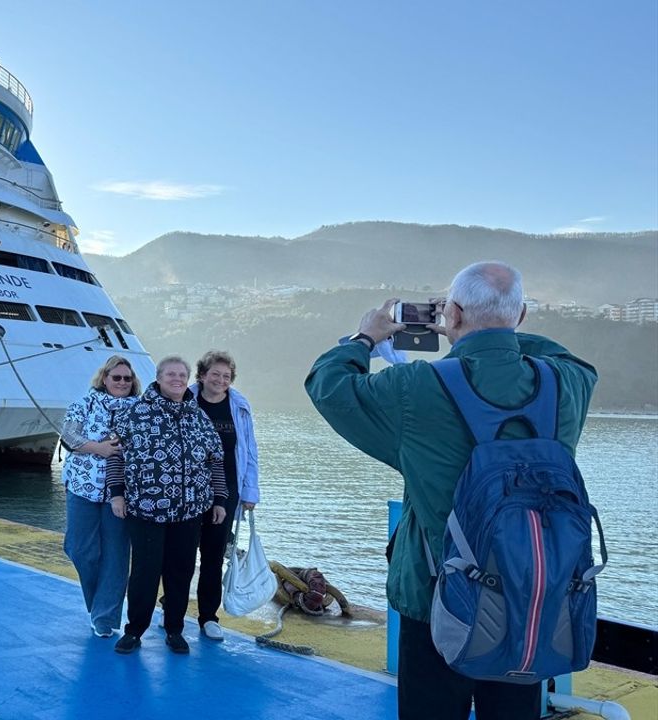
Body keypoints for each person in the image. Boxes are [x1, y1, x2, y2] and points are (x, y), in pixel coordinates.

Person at [304, 261, 596, 720]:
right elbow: (568, 357)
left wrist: (366, 337)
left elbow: (330, 385)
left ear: (452, 314)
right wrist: (490, 329)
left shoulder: (416, 387)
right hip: (534, 597)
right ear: (520, 318)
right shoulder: (567, 383)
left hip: (435, 599)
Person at [106, 356, 228, 655]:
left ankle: (175, 629)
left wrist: (220, 499)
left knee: (181, 571)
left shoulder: (198, 416)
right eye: (171, 374)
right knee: (145, 572)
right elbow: (114, 455)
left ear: (188, 379)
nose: (177, 379)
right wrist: (117, 493)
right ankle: (134, 630)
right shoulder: (133, 414)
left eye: (182, 374)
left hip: (189, 511)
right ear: (158, 378)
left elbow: (215, 460)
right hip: (145, 509)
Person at [61, 355, 141, 638]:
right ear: (104, 378)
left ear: (133, 382)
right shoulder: (85, 403)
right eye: (116, 377)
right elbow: (69, 436)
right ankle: (99, 603)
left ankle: (104, 617)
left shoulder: (140, 409)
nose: (121, 382)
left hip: (121, 492)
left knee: (117, 554)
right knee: (79, 548)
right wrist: (99, 448)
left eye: (126, 378)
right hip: (82, 487)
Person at [190, 351, 260, 641]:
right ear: (202, 375)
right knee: (180, 553)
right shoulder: (185, 400)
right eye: (215, 374)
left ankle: (208, 616)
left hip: (226, 491)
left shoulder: (239, 406)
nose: (220, 380)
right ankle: (172, 605)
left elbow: (250, 451)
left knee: (214, 554)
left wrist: (250, 492)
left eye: (226, 376)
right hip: (187, 490)